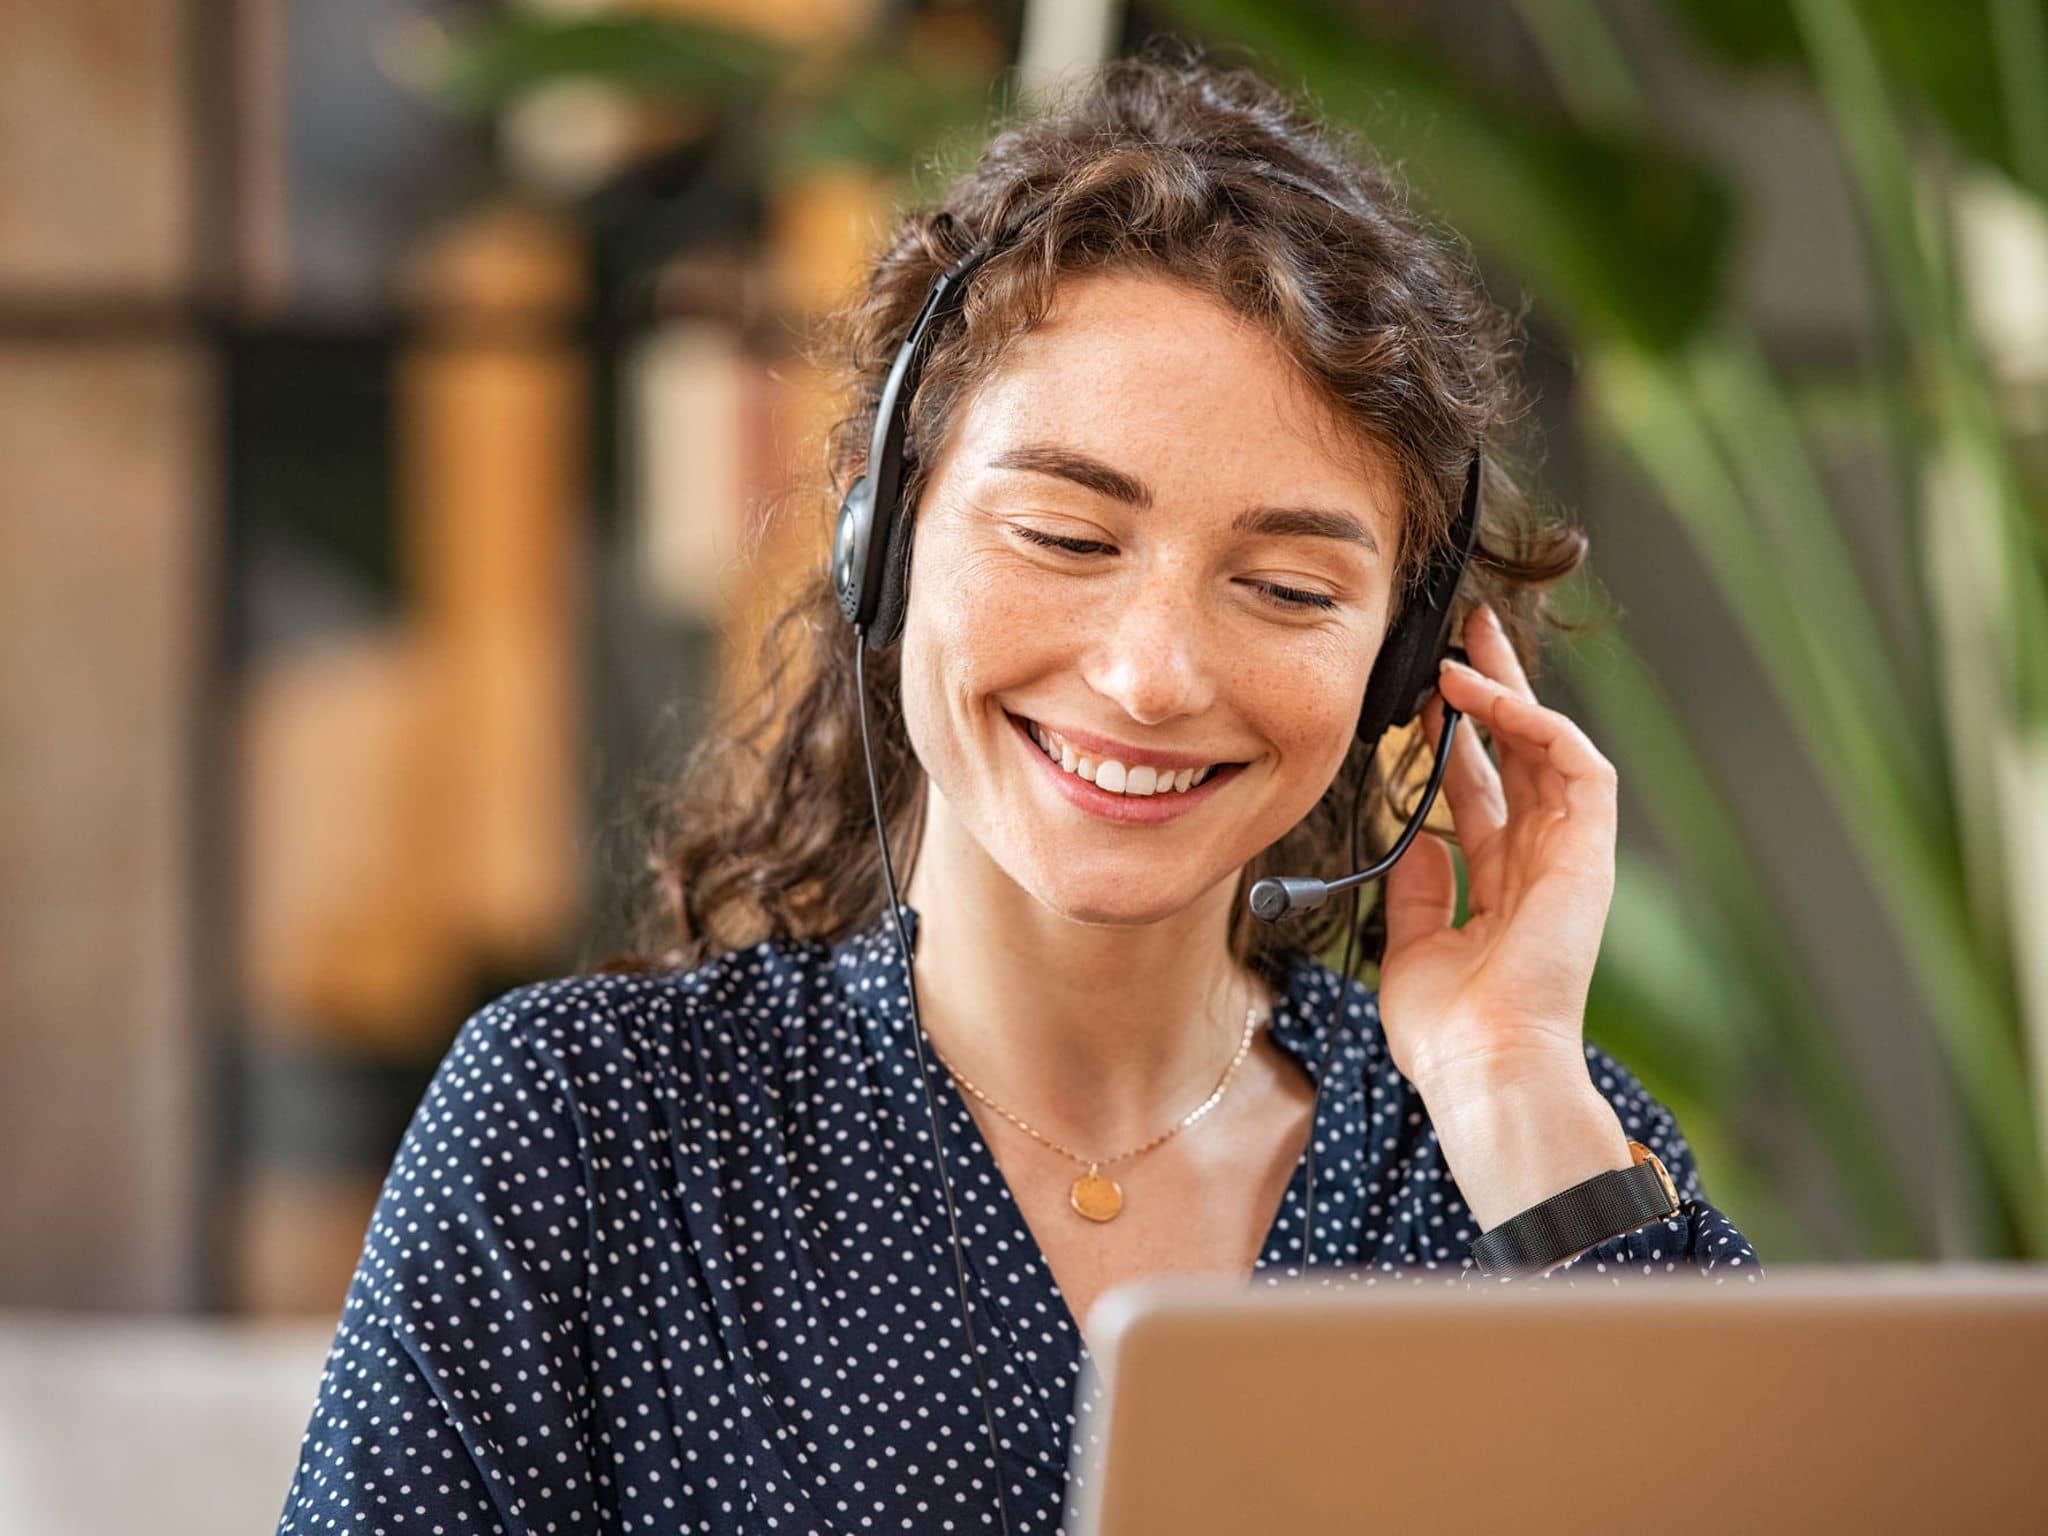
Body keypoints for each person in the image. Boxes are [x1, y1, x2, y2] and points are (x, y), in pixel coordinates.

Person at [276, 39, 1760, 1536]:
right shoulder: (592, 1131)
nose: (1154, 673)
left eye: (1289, 586)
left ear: (1399, 666)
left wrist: (1514, 1091)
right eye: (1066, 536)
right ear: (887, 549)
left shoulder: (1522, 1156)